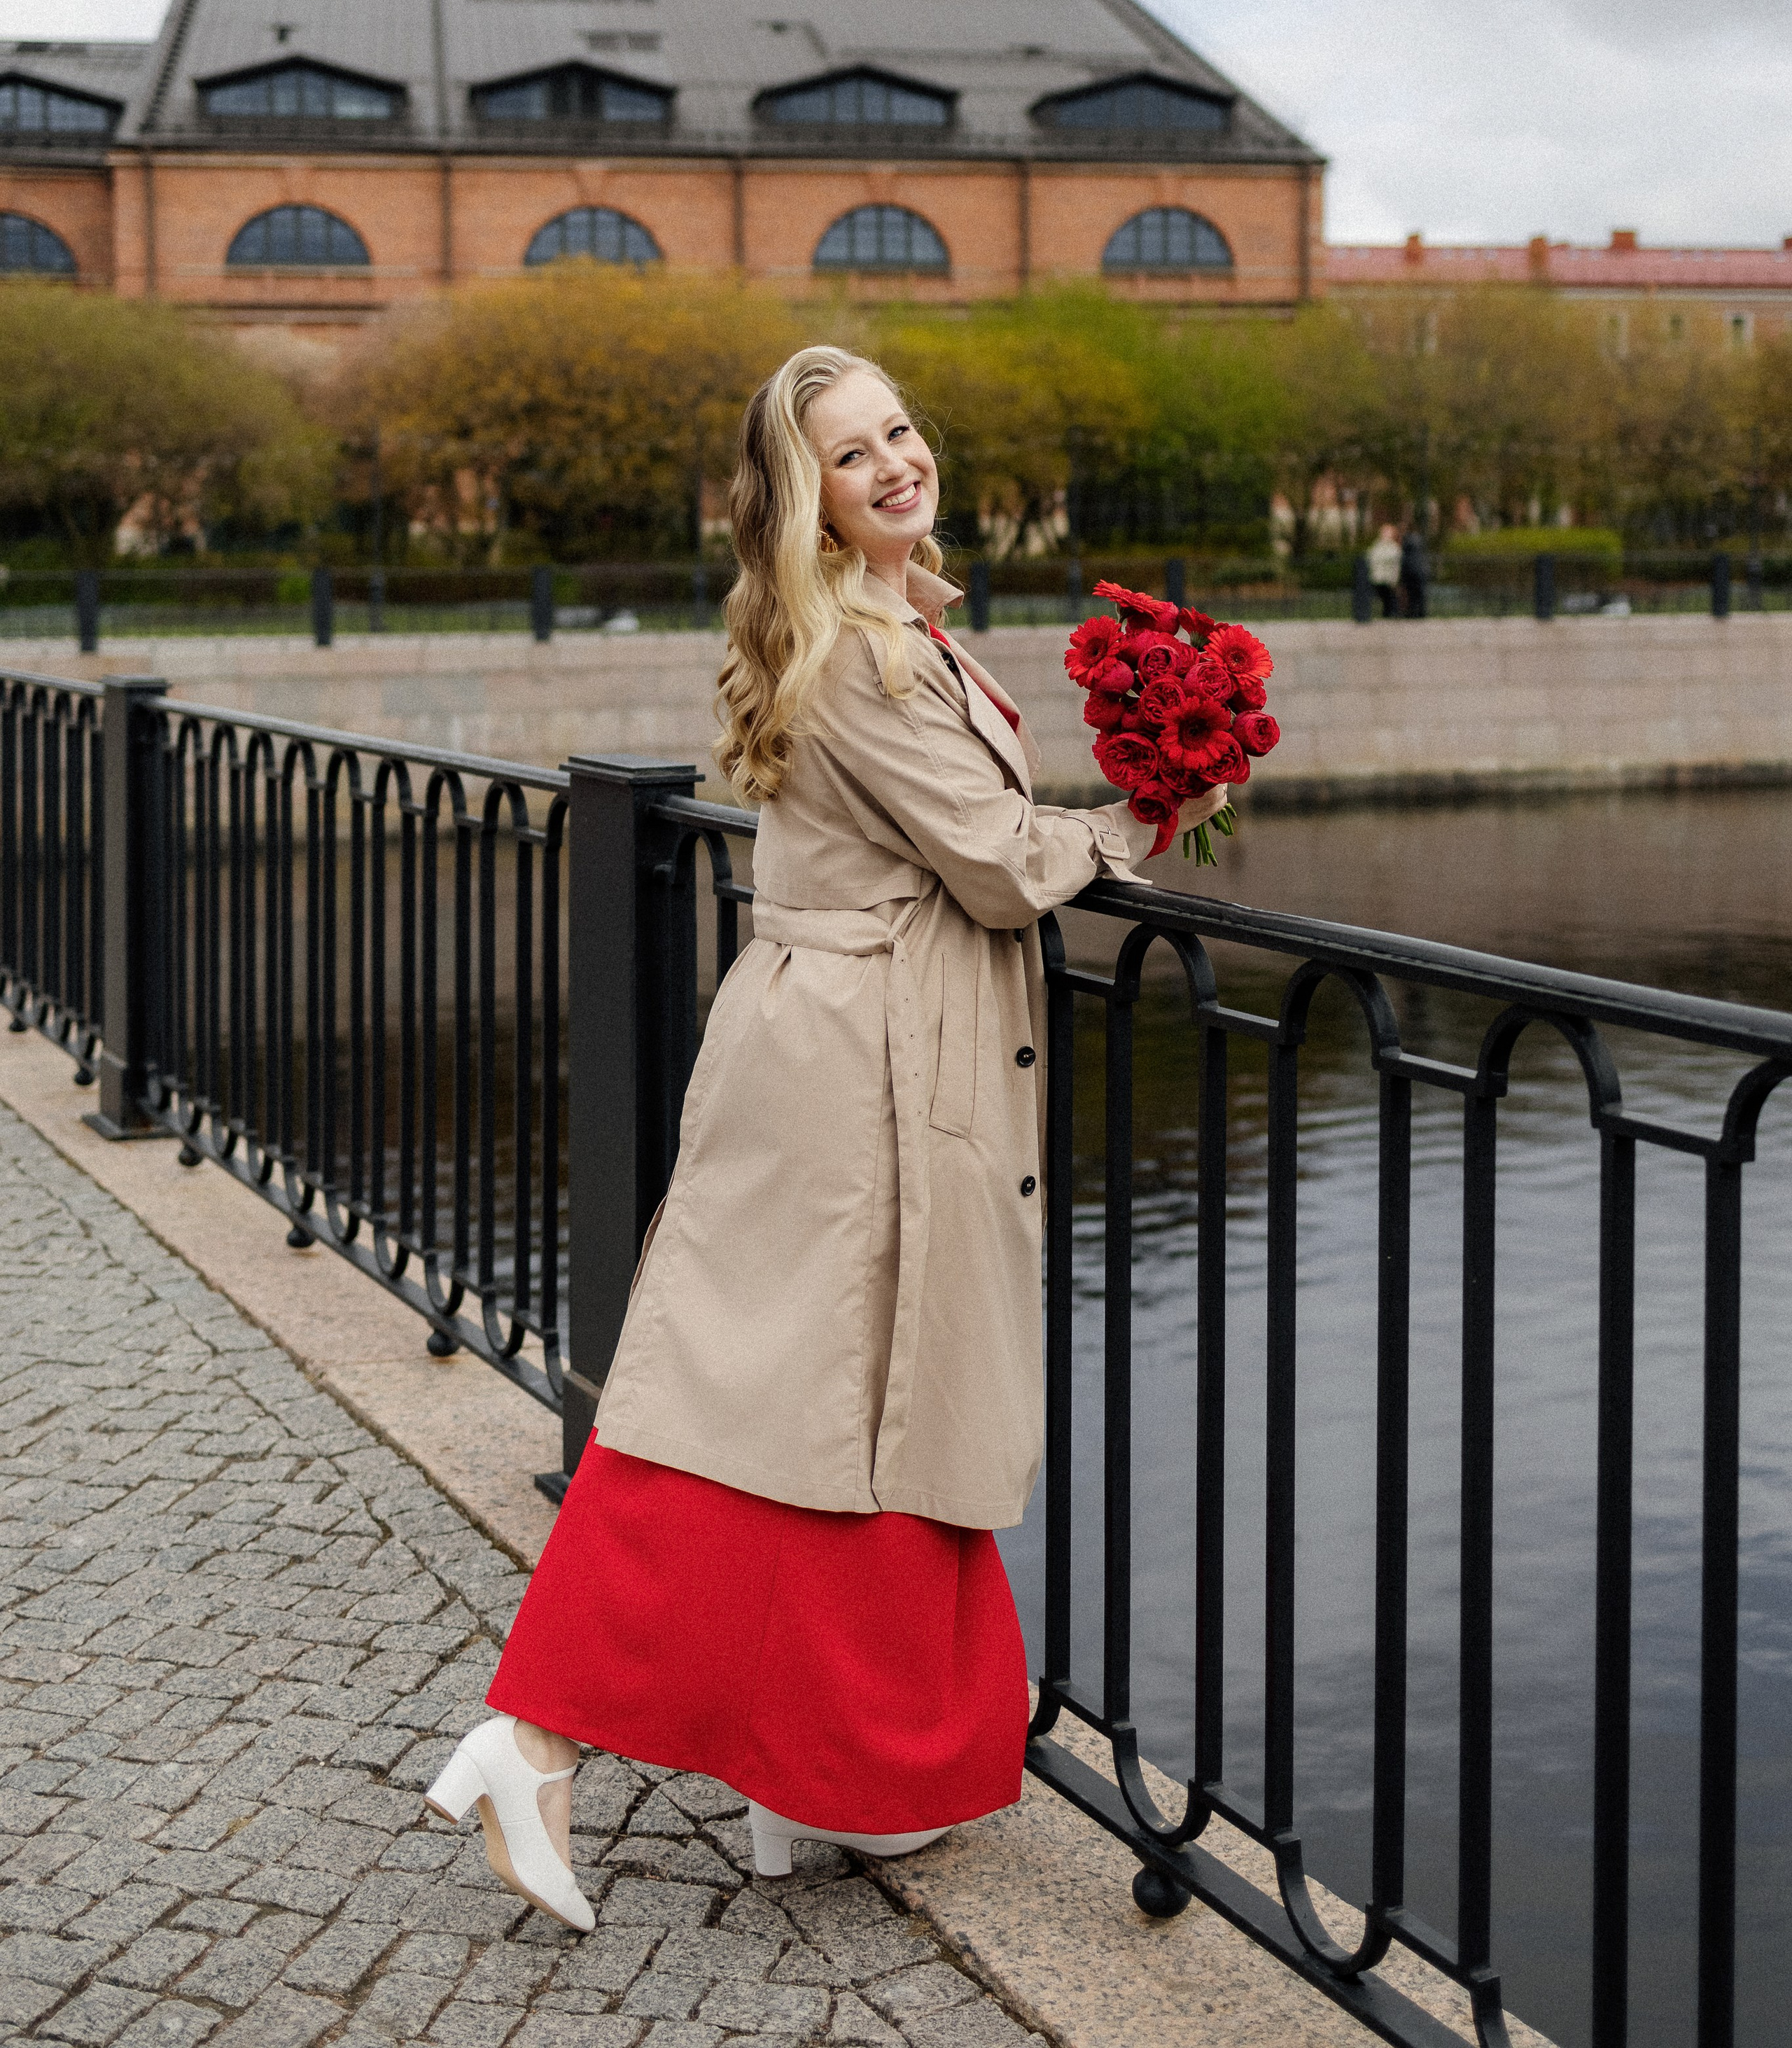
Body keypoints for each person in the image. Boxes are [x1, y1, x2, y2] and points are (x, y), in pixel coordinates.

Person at [424, 345, 1226, 1925]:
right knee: (789, 1426)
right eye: (851, 456)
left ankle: (806, 1779)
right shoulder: (860, 649)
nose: (894, 465)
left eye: (900, 432)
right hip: (861, 1072)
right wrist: (1151, 815)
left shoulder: (881, 621)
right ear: (804, 498)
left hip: (856, 1046)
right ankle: (547, 1738)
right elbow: (995, 862)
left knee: (824, 1428)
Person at [1365, 522, 1402, 619]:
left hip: (1388, 577)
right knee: (1382, 596)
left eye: (1387, 532)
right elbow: (1370, 557)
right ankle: (1385, 614)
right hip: (1377, 576)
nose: (1384, 534)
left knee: (1390, 597)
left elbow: (1395, 563)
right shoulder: (1377, 545)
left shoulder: (1394, 547)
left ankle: (1392, 614)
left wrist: (1395, 578)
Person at [1399, 524, 1430, 620]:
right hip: (1421, 570)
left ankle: (1412, 612)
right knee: (1420, 593)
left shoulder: (1406, 542)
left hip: (1410, 571)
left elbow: (1404, 559)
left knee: (1411, 593)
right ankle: (1421, 612)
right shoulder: (1419, 541)